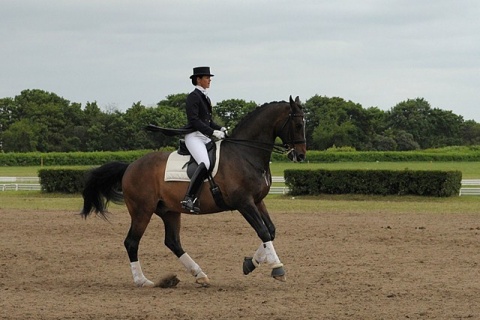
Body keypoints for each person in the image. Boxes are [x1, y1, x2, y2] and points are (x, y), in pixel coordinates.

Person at [181, 66, 227, 213]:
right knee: (205, 163)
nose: (209, 80)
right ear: (198, 79)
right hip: (194, 136)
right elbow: (194, 120)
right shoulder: (193, 96)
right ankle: (189, 198)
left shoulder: (205, 97)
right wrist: (212, 132)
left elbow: (207, 121)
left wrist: (220, 129)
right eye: (207, 78)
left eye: (209, 78)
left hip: (204, 136)